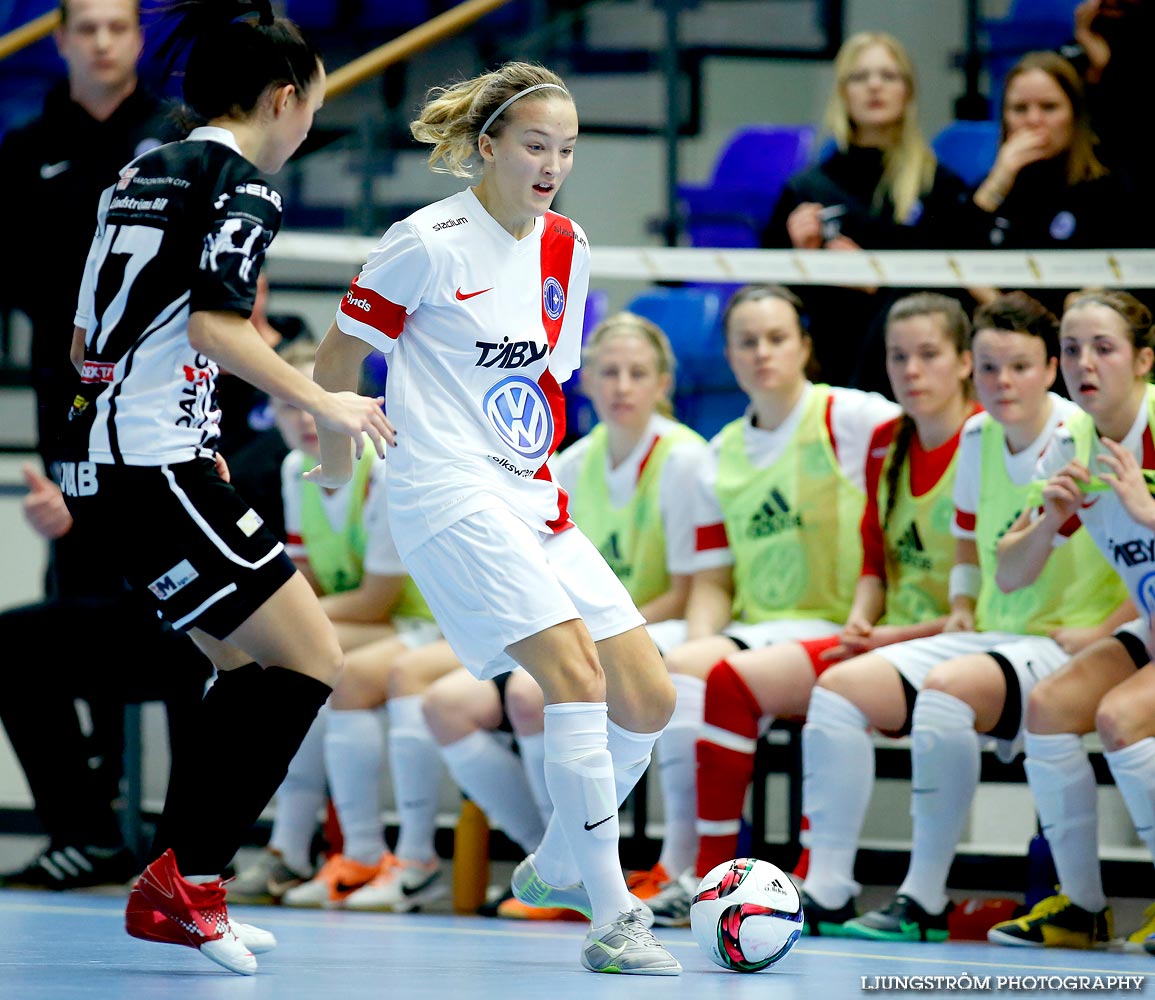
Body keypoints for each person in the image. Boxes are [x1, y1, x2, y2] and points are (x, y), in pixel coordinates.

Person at [310, 61, 682, 975]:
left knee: (651, 696)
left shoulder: (568, 246)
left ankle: (558, 859)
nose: (552, 164)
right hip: (443, 490)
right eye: (533, 145)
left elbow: (539, 380)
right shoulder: (426, 241)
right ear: (487, 147)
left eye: (565, 149)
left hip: (530, 490)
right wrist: (328, 473)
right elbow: (332, 364)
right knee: (572, 674)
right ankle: (611, 914)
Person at [58, 0, 393, 976]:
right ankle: (187, 880)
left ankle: (184, 884)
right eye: (312, 110)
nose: (307, 131)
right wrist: (326, 401)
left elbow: (89, 338)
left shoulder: (142, 169)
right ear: (283, 99)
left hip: (118, 460)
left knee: (245, 670)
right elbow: (216, 327)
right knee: (311, 658)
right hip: (157, 463)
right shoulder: (239, 183)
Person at [790, 293, 1132, 939]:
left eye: (1020, 367)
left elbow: (1136, 555)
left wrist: (1107, 627)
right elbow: (966, 546)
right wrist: (958, 605)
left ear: (1049, 370)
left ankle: (922, 900)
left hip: (1065, 640)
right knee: (836, 690)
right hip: (991, 635)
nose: (1002, 382)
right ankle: (826, 889)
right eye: (988, 367)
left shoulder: (1075, 438)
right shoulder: (977, 437)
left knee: (944, 696)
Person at [646, 292, 977, 924]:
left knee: (720, 677)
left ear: (804, 344)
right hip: (766, 624)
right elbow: (713, 581)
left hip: (837, 621)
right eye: (747, 341)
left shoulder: (851, 417)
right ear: (728, 355)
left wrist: (871, 614)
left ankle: (755, 873)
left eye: (776, 337)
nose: (762, 352)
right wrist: (699, 635)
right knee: (684, 669)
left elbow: (935, 430)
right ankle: (690, 871)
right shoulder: (719, 454)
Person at [419, 310, 709, 913]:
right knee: (443, 702)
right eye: (609, 372)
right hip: (573, 628)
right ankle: (552, 858)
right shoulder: (570, 460)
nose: (622, 386)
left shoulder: (685, 458)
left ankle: (567, 863)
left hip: (655, 623)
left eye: (637, 373)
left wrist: (593, 634)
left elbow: (690, 589)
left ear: (663, 382)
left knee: (538, 693)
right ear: (588, 382)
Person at [988, 290, 1155, 950]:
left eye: (1103, 348)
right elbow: (1009, 573)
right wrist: (1046, 525)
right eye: (1071, 349)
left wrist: (1147, 513)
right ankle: (1081, 908)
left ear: (1143, 359)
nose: (1084, 362)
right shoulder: (1069, 447)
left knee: (1120, 716)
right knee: (1049, 706)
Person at [0, 464, 212, 891]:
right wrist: (66, 507)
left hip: (207, 588)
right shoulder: (73, 409)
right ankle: (88, 838)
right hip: (125, 598)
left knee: (200, 647)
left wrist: (88, 504)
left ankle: (198, 852)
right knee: (13, 643)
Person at [0, 0, 181, 479]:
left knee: (157, 527)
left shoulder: (176, 139)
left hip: (160, 362)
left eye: (116, 28)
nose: (102, 43)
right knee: (72, 521)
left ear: (139, 38)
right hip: (60, 363)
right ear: (61, 40)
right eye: (87, 29)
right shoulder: (26, 147)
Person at [761, 31, 970, 392]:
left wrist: (876, 282)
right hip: (834, 367)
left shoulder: (940, 186)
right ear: (843, 92)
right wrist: (802, 259)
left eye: (888, 76)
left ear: (908, 91)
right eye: (860, 77)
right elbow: (776, 300)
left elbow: (957, 293)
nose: (875, 86)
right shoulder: (807, 189)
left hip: (918, 374)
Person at [966, 52, 1146, 317]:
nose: (1033, 120)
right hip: (1000, 333)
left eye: (1049, 107)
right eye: (1019, 109)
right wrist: (998, 182)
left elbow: (1122, 270)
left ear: (1075, 115)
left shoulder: (1108, 188)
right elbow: (952, 261)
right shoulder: (990, 190)